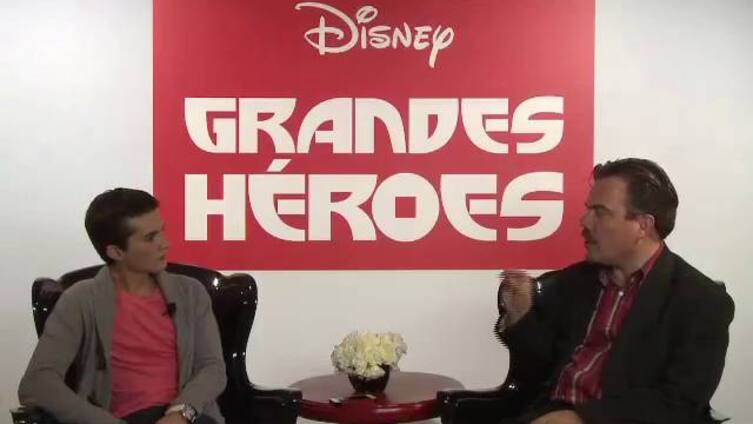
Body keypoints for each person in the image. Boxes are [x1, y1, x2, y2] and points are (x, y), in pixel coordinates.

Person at [497, 158, 734, 424]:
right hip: (547, 415)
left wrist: (581, 419)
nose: (584, 221)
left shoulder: (701, 302)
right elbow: (538, 369)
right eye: (588, 210)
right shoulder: (575, 281)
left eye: (600, 212)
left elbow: (679, 404)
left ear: (642, 226)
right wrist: (521, 315)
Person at [18, 188, 226, 424]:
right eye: (150, 237)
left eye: (162, 231)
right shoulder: (80, 300)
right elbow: (37, 383)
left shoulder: (191, 293)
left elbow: (212, 368)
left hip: (188, 417)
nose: (165, 243)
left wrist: (181, 413)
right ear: (116, 251)